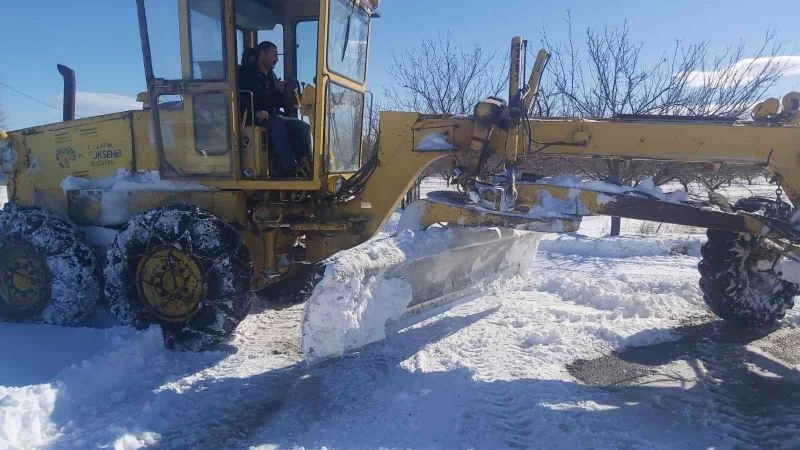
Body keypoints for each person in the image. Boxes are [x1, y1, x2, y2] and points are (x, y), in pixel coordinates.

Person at [239, 41, 312, 178]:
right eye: (274, 55)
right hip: (252, 117)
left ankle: (307, 166)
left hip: (271, 116)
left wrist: (282, 92)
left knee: (302, 126)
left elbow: (273, 103)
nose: (277, 59)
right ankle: (291, 168)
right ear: (262, 55)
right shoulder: (246, 74)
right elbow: (242, 98)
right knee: (278, 124)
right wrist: (255, 112)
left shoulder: (271, 76)